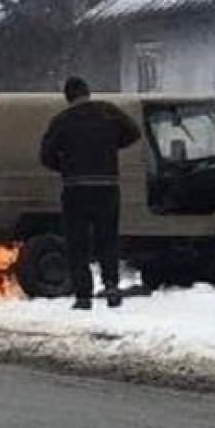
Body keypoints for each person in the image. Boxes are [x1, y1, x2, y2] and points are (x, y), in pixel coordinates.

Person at [39, 77, 141, 310]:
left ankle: (83, 295)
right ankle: (111, 285)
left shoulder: (62, 120)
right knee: (108, 238)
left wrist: (65, 168)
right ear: (88, 92)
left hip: (76, 189)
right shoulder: (108, 112)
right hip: (107, 186)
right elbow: (134, 132)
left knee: (77, 243)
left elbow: (46, 156)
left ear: (68, 97)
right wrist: (111, 145)